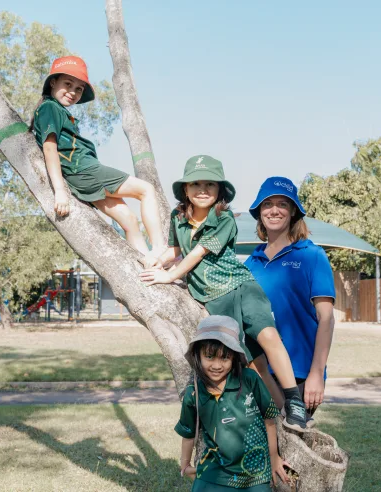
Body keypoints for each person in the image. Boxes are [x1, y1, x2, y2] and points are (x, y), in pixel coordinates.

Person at [140, 155, 308, 431]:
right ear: (185, 189)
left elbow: (198, 251)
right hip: (214, 300)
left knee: (267, 335)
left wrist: (170, 275)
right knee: (253, 364)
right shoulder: (178, 217)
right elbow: (177, 250)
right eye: (195, 183)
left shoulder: (224, 217)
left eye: (210, 184)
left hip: (240, 288)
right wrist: (160, 261)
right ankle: (282, 418)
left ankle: (295, 402)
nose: (202, 189)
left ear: (220, 191)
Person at [31, 56, 165, 264]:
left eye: (79, 89)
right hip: (84, 171)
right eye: (68, 84)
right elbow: (50, 148)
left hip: (84, 174)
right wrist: (59, 191)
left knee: (129, 220)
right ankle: (159, 249)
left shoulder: (56, 110)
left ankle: (146, 263)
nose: (73, 92)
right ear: (53, 83)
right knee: (146, 190)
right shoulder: (50, 108)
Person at [245, 176, 335, 425]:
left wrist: (316, 373)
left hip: (299, 374)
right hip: (259, 371)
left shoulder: (312, 256)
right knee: (264, 451)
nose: (274, 210)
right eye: (267, 204)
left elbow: (326, 318)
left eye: (282, 204)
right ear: (259, 212)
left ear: (293, 211)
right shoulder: (250, 264)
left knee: (293, 451)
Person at [175, 315, 290, 491]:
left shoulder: (250, 379)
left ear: (234, 357)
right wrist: (185, 465)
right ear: (198, 355)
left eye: (224, 358)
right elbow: (188, 433)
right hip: (213, 472)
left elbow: (269, 420)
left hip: (256, 473)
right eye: (209, 357)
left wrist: (274, 458)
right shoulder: (194, 393)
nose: (216, 365)